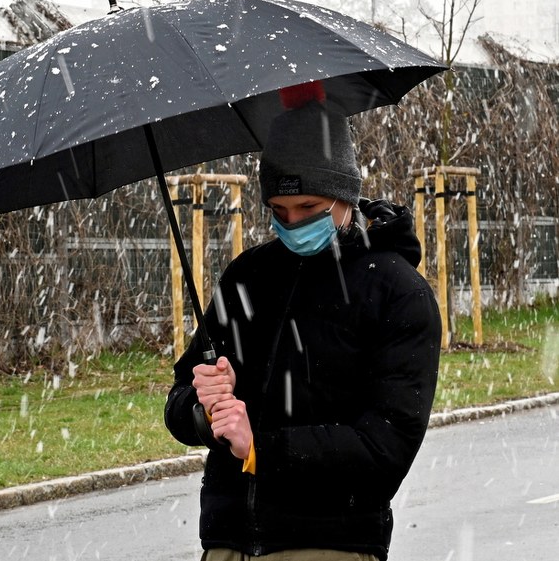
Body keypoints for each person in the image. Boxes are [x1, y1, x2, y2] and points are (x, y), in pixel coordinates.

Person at [164, 91, 441, 561]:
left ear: (345, 195)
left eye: (309, 208)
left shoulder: (397, 293)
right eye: (278, 211)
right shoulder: (247, 277)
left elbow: (384, 448)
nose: (292, 224)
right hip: (228, 544)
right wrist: (205, 409)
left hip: (329, 545)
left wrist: (263, 450)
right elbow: (179, 404)